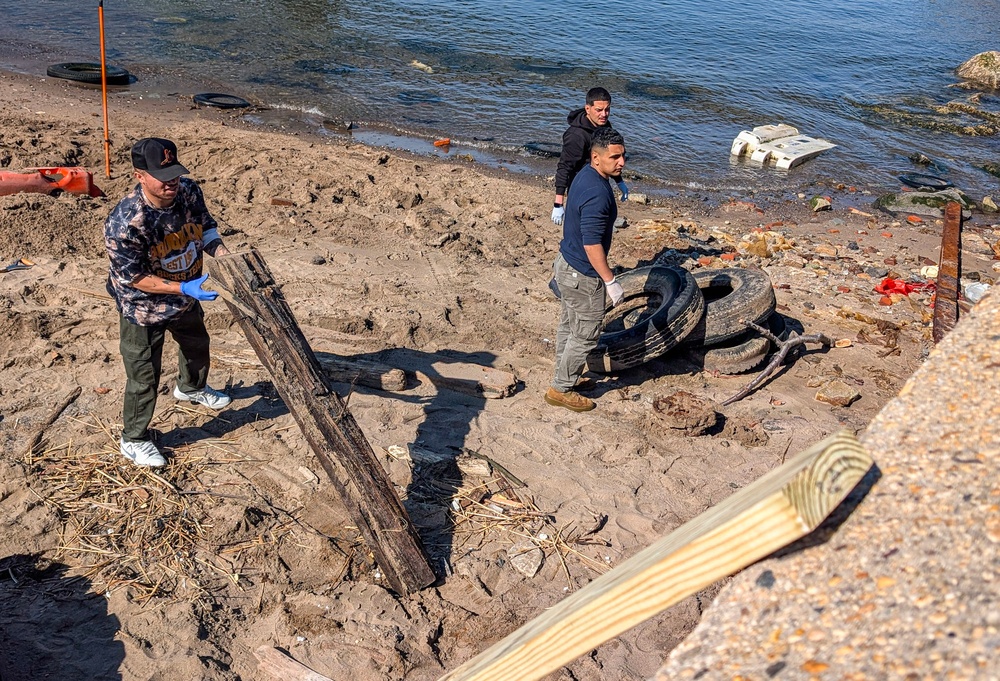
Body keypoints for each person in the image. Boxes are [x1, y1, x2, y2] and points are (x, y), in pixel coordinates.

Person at [105, 137, 233, 467]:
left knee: (196, 344)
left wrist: (224, 255)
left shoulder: (188, 191)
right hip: (143, 307)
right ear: (139, 175)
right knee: (144, 374)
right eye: (163, 178)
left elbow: (205, 228)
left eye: (174, 172)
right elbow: (134, 278)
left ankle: (191, 388)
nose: (172, 183)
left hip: (186, 295)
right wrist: (184, 288)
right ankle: (133, 438)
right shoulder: (125, 223)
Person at [546, 126, 627, 412]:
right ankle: (560, 389)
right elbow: (593, 245)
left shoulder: (585, 175)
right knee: (587, 334)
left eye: (623, 156)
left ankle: (564, 376)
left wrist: (618, 180)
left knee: (569, 325)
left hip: (565, 263)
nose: (622, 162)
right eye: (615, 157)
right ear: (596, 157)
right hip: (583, 274)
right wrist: (610, 281)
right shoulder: (597, 194)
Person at [551, 87, 628, 226]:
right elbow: (564, 167)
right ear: (588, 108)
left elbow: (610, 157)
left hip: (599, 182)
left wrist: (619, 181)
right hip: (580, 186)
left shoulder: (604, 126)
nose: (604, 114)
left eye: (607, 109)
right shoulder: (576, 136)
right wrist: (558, 203)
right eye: (599, 110)